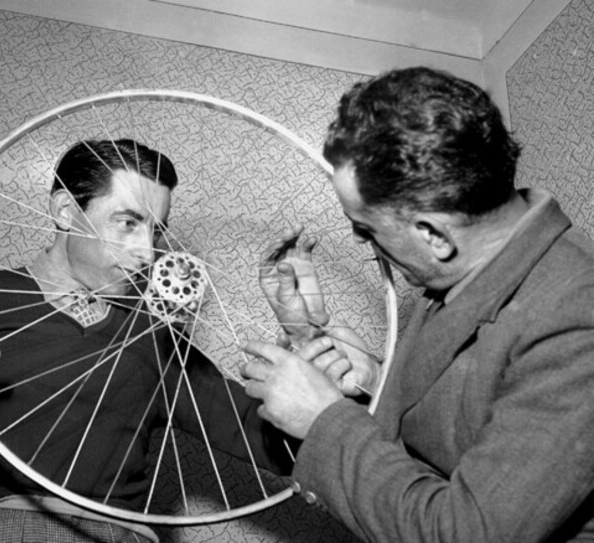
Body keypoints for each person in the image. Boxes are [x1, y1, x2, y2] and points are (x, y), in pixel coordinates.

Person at [0, 138, 359, 542]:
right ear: (65, 210)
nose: (147, 252)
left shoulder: (156, 337)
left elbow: (278, 444)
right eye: (127, 222)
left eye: (156, 231)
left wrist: (307, 337)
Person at [241, 66, 594, 541]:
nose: (362, 242)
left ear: (434, 235)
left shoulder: (578, 319)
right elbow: (457, 424)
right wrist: (366, 378)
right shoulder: (473, 268)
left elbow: (466, 534)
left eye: (366, 229)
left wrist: (324, 419)